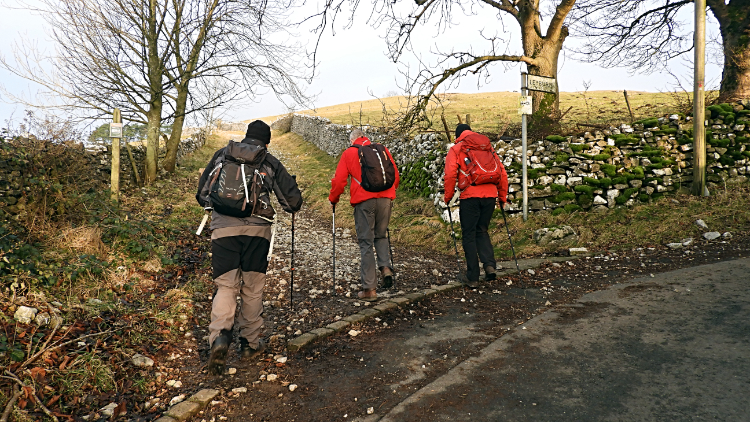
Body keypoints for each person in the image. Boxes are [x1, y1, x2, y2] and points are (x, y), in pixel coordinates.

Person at [196, 120, 302, 375]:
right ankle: (249, 345)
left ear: (245, 138)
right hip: (258, 232)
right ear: (266, 141)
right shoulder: (268, 160)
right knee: (252, 289)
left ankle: (220, 338)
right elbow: (292, 203)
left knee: (226, 286)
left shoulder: (223, 155)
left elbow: (202, 194)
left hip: (223, 230)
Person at [328, 129, 400, 301]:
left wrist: (333, 199)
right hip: (386, 199)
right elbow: (395, 175)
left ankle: (369, 289)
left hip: (364, 202)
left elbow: (339, 181)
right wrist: (388, 194)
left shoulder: (350, 153)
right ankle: (385, 268)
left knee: (366, 242)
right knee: (381, 235)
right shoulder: (381, 149)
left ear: (352, 140)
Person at [443, 123, 508, 288]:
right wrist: (502, 197)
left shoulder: (457, 149)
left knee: (469, 234)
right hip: (490, 195)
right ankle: (489, 266)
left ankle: (472, 277)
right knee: (482, 230)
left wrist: (448, 197)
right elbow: (501, 172)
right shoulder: (487, 147)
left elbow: (450, 175)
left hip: (470, 196)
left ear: (458, 135)